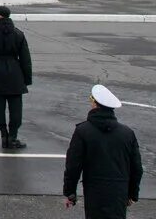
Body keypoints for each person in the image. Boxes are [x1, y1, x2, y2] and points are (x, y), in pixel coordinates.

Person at [62, 84, 144, 217]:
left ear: (95, 104)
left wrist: (70, 193)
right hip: (119, 192)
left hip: (94, 192)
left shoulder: (83, 131)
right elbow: (136, 168)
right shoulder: (127, 133)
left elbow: (73, 165)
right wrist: (132, 194)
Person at [0, 5, 32, 149]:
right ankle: (13, 137)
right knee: (16, 108)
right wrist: (26, 79)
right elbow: (26, 59)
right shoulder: (18, 34)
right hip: (15, 74)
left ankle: (4, 135)